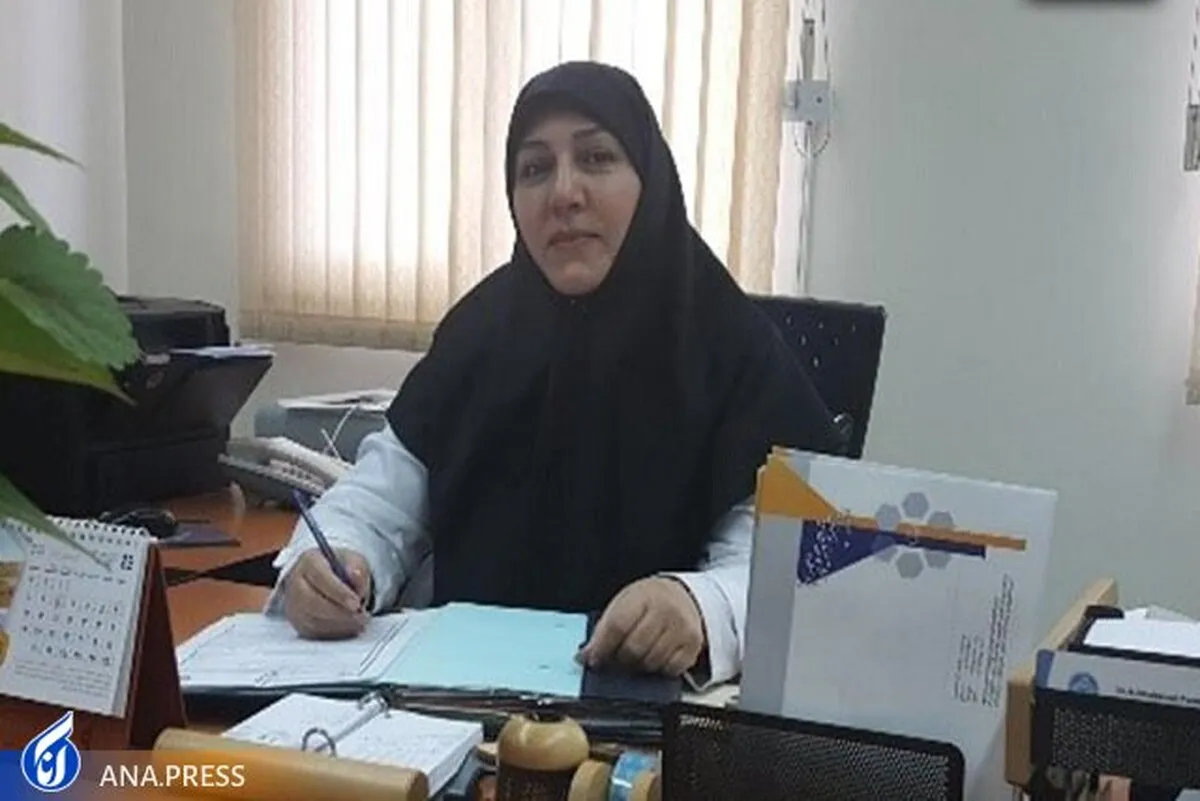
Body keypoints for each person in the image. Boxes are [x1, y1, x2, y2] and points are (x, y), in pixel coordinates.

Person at [264, 61, 844, 687]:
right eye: (535, 169)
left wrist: (701, 603)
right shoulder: (479, 333)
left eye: (596, 158)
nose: (563, 193)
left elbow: (789, 560)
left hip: (650, 716)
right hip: (456, 702)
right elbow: (378, 501)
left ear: (649, 179)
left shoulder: (727, 344)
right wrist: (328, 562)